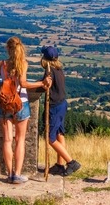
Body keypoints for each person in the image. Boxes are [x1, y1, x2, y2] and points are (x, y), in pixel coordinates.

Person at [0, 36, 45, 184]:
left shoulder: (1, 64)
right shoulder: (23, 64)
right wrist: (41, 83)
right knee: (20, 140)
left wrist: (4, 82)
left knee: (7, 140)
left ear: (8, 49)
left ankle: (9, 174)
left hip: (5, 104)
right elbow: (23, 83)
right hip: (21, 103)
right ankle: (17, 174)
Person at [40, 46, 82, 176]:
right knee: (59, 134)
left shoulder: (49, 72)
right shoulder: (59, 69)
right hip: (62, 104)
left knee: (50, 138)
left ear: (45, 59)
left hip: (54, 106)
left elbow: (46, 86)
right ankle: (59, 165)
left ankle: (71, 162)